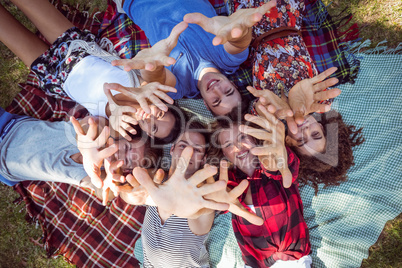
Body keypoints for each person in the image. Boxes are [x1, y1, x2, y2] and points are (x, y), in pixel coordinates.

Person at [201, 0, 364, 193]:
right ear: (322, 127)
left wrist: (280, 111)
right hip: (289, 15)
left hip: (252, 27)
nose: (305, 130)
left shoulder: (271, 118)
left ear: (288, 142)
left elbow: (255, 112)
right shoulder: (320, 100)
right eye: (315, 134)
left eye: (301, 140)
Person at [0, 0, 182, 145]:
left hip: (54, 77)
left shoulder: (120, 128)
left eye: (154, 128)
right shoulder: (153, 88)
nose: (150, 119)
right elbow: (157, 75)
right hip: (76, 48)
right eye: (159, 115)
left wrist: (101, 127)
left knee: (4, 28)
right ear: (163, 104)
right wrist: (155, 66)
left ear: (148, 134)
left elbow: (89, 128)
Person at [113, 121, 263, 267]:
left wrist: (191, 209)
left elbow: (200, 220)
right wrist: (135, 197)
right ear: (172, 149)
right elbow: (131, 192)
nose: (188, 153)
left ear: (203, 159)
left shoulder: (202, 197)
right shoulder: (157, 178)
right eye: (183, 146)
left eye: (197, 150)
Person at [111, 0, 277, 116]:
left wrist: (152, 67)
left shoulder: (180, 87)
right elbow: (238, 42)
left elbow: (158, 79)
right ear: (232, 83)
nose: (217, 89)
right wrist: (239, 31)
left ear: (205, 103)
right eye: (228, 91)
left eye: (216, 101)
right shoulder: (229, 60)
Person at [210, 105, 312, 267]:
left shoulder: (273, 161)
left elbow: (289, 167)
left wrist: (277, 162)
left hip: (293, 259)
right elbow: (219, 202)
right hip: (257, 264)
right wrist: (217, 199)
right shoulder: (229, 180)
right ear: (224, 153)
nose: (238, 147)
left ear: (254, 137)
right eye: (229, 144)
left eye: (243, 137)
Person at [0, 106, 158, 195]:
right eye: (127, 148)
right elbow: (91, 123)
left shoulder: (95, 174)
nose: (119, 153)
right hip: (9, 125)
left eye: (128, 160)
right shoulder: (98, 132)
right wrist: (87, 148)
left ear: (127, 169)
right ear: (122, 138)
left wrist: (112, 185)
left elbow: (104, 191)